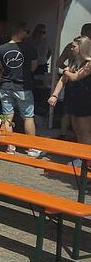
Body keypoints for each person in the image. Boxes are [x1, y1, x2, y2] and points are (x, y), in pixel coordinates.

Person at [0, 22, 40, 156]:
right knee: (28, 116)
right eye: (26, 31)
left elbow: (2, 68)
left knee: (7, 116)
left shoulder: (0, 49)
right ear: (20, 32)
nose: (27, 34)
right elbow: (34, 66)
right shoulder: (30, 47)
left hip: (6, 85)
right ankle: (31, 147)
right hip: (23, 86)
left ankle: (10, 147)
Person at [49, 36, 91, 167]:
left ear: (82, 47)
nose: (71, 48)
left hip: (85, 100)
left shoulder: (89, 63)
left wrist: (66, 69)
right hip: (72, 98)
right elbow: (63, 80)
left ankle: (87, 160)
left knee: (85, 131)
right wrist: (55, 94)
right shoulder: (73, 62)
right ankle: (81, 157)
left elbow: (75, 77)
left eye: (74, 46)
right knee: (77, 129)